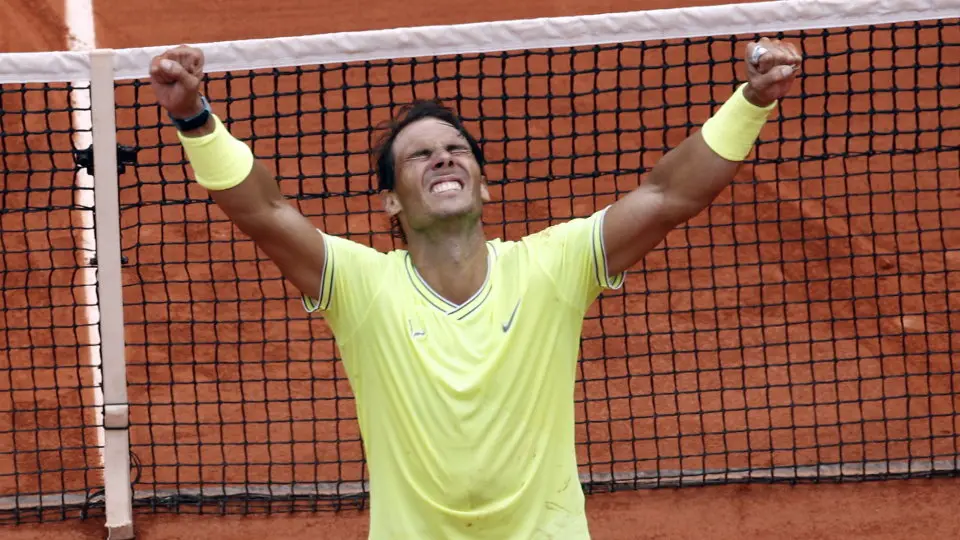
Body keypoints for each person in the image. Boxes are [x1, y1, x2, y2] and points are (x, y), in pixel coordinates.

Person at [148, 37, 801, 539]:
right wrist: (195, 118)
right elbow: (264, 211)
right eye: (419, 155)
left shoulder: (552, 267)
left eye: (456, 150)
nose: (442, 158)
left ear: (484, 186)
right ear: (391, 206)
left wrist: (753, 101)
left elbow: (667, 195)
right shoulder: (363, 288)